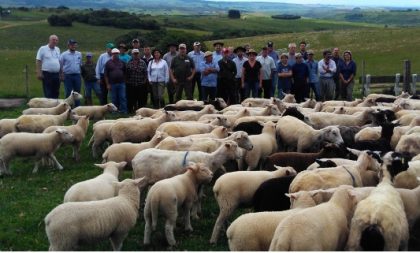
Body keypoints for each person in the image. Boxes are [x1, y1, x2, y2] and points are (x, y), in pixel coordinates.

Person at [36, 34, 61, 99]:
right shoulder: (43, 48)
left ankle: (55, 107)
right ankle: (48, 108)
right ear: (49, 40)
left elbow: (59, 61)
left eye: (56, 40)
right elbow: (38, 60)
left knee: (56, 91)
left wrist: (61, 73)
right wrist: (39, 72)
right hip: (47, 74)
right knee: (48, 92)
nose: (55, 41)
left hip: (56, 74)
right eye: (53, 40)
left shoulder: (57, 49)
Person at [59, 39, 82, 107]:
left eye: (75, 45)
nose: (73, 46)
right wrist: (61, 75)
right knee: (69, 92)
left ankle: (77, 108)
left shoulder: (79, 54)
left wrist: (80, 74)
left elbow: (80, 64)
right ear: (68, 46)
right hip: (67, 76)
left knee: (77, 92)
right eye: (72, 45)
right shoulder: (64, 54)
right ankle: (67, 107)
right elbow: (60, 65)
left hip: (77, 75)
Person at [104, 48, 127, 113]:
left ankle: (123, 111)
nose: (116, 55)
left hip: (121, 83)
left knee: (122, 97)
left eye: (117, 53)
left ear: (119, 54)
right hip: (112, 84)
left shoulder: (122, 62)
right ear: (112, 54)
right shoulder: (108, 63)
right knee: (114, 98)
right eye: (114, 53)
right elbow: (106, 75)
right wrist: (107, 84)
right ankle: (114, 111)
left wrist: (124, 81)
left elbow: (125, 72)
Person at [125, 48, 148, 113]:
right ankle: (131, 111)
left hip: (141, 84)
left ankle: (140, 111)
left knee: (141, 99)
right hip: (131, 84)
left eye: (137, 54)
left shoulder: (143, 62)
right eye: (134, 54)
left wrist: (144, 81)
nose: (135, 55)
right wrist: (127, 82)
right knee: (131, 99)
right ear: (132, 54)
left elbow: (146, 73)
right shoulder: (128, 62)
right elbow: (126, 73)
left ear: (139, 54)